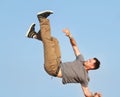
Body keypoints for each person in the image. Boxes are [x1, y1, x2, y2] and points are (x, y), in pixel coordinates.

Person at [25, 10, 102, 97]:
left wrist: (94, 96)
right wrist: (70, 36)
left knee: (49, 43)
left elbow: (86, 93)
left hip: (52, 68)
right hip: (58, 63)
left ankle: (42, 19)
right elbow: (75, 46)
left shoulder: (84, 78)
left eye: (90, 61)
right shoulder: (81, 60)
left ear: (92, 67)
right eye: (89, 59)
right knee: (54, 41)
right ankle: (33, 35)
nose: (88, 60)